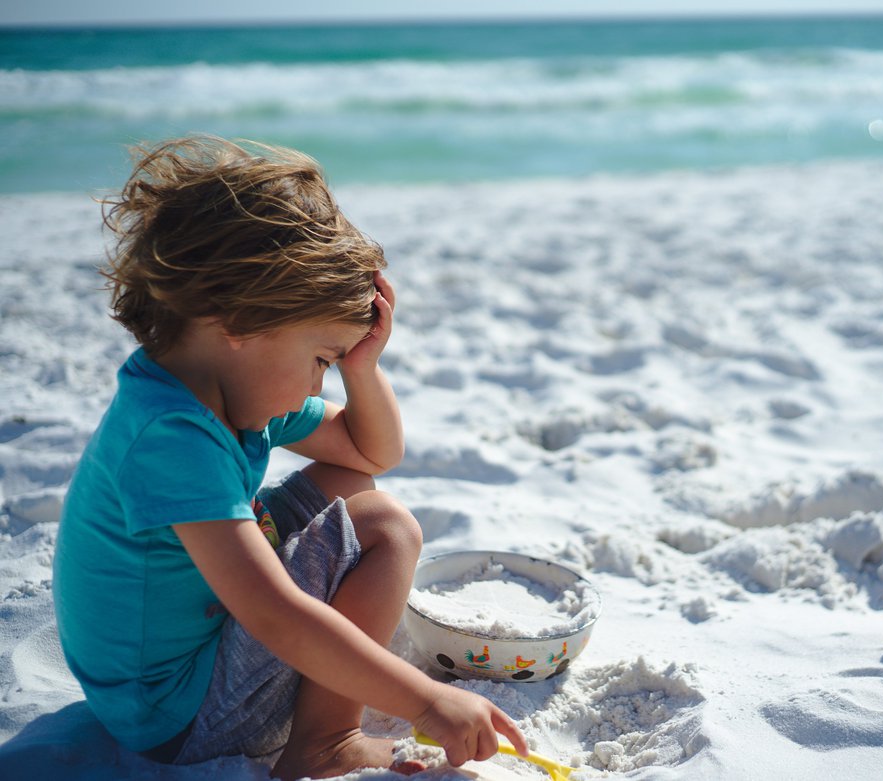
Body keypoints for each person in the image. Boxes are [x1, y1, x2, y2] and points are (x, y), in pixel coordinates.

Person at [52, 136, 527, 780]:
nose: (316, 388)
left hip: (178, 671)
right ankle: (325, 743)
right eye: (321, 361)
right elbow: (275, 615)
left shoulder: (217, 383)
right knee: (387, 528)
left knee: (348, 483)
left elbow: (370, 451)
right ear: (241, 322)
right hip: (178, 715)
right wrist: (428, 701)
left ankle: (322, 723)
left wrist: (362, 365)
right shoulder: (171, 437)